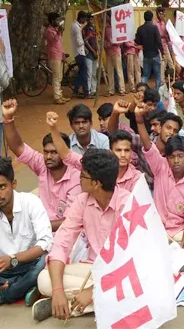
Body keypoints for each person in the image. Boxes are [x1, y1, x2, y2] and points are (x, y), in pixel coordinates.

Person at [33, 149, 128, 322]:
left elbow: (130, 259)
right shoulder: (82, 201)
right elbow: (62, 244)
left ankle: (72, 307)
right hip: (92, 268)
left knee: (133, 287)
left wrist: (93, 290)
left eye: (83, 175)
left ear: (96, 183)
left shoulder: (127, 204)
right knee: (45, 279)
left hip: (121, 272)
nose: (79, 178)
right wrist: (57, 291)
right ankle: (87, 303)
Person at [2, 100, 81, 230]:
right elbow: (18, 146)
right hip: (40, 229)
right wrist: (8, 118)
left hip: (64, 236)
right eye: (46, 152)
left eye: (54, 152)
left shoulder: (77, 178)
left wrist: (36, 226)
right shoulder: (42, 165)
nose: (49, 156)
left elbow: (69, 222)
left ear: (64, 152)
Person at [135, 106, 184, 246]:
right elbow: (148, 145)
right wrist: (139, 121)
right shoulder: (160, 167)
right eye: (172, 157)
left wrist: (183, 243)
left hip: (178, 232)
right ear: (167, 158)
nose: (176, 161)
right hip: (155, 229)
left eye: (180, 156)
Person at [48, 110, 142, 193]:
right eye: (118, 150)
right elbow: (66, 155)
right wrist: (53, 128)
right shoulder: (97, 167)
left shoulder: (137, 178)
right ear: (110, 151)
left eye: (126, 150)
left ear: (131, 152)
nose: (123, 155)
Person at [0, 157, 52, 305]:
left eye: (2, 187)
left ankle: (7, 294)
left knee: (44, 265)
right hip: (5, 269)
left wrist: (13, 259)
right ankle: (22, 288)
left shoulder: (30, 202)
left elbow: (45, 243)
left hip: (31, 263)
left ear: (13, 184)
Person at [43, 12, 69, 105]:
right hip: (54, 56)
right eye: (56, 20)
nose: (58, 22)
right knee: (56, 77)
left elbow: (59, 44)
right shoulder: (49, 31)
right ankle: (56, 97)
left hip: (58, 55)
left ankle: (59, 95)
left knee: (60, 77)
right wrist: (59, 32)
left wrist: (63, 55)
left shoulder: (56, 29)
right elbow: (54, 41)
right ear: (52, 20)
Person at [136, 10, 164, 90]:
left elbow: (138, 41)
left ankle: (142, 91)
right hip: (155, 54)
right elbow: (159, 41)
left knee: (145, 75)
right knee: (157, 75)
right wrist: (163, 52)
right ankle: (157, 91)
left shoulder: (140, 29)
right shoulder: (154, 28)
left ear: (144, 18)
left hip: (146, 55)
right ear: (152, 18)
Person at [103, 13, 126, 96]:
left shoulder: (117, 27)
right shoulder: (106, 28)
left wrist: (111, 43)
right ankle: (111, 90)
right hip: (108, 52)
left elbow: (121, 40)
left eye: (107, 17)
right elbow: (104, 39)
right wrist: (106, 44)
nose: (106, 18)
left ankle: (122, 89)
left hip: (116, 51)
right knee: (110, 72)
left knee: (119, 71)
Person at [70, 11, 89, 99]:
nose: (85, 20)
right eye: (84, 18)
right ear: (81, 18)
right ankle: (82, 91)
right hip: (80, 52)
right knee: (83, 73)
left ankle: (84, 91)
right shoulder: (77, 28)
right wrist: (86, 39)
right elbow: (79, 42)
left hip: (78, 53)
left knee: (82, 72)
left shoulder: (75, 26)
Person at [153, 7, 174, 85]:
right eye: (161, 13)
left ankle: (173, 76)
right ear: (157, 13)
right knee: (163, 63)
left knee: (170, 62)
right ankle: (161, 80)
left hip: (166, 43)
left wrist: (165, 21)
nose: (162, 15)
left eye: (163, 13)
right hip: (159, 44)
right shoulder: (154, 22)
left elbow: (169, 32)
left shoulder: (165, 22)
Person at [82, 13, 98, 97]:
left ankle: (93, 90)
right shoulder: (85, 29)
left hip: (95, 53)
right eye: (90, 19)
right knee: (89, 73)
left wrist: (97, 51)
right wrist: (93, 51)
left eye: (92, 19)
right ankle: (87, 91)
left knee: (94, 73)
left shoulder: (94, 28)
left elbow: (96, 40)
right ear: (87, 20)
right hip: (89, 54)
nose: (91, 20)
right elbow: (85, 42)